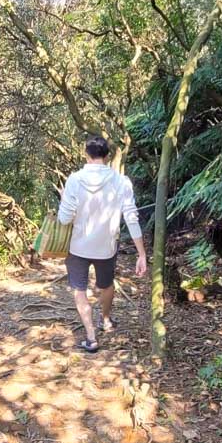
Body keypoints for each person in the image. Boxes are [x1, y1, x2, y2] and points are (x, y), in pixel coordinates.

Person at [57, 136, 147, 353]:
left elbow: (64, 219)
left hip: (78, 247)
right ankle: (105, 320)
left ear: (86, 155)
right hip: (106, 248)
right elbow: (131, 217)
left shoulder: (74, 180)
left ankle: (90, 336)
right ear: (107, 156)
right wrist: (141, 253)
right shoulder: (121, 181)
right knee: (106, 285)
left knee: (79, 289)